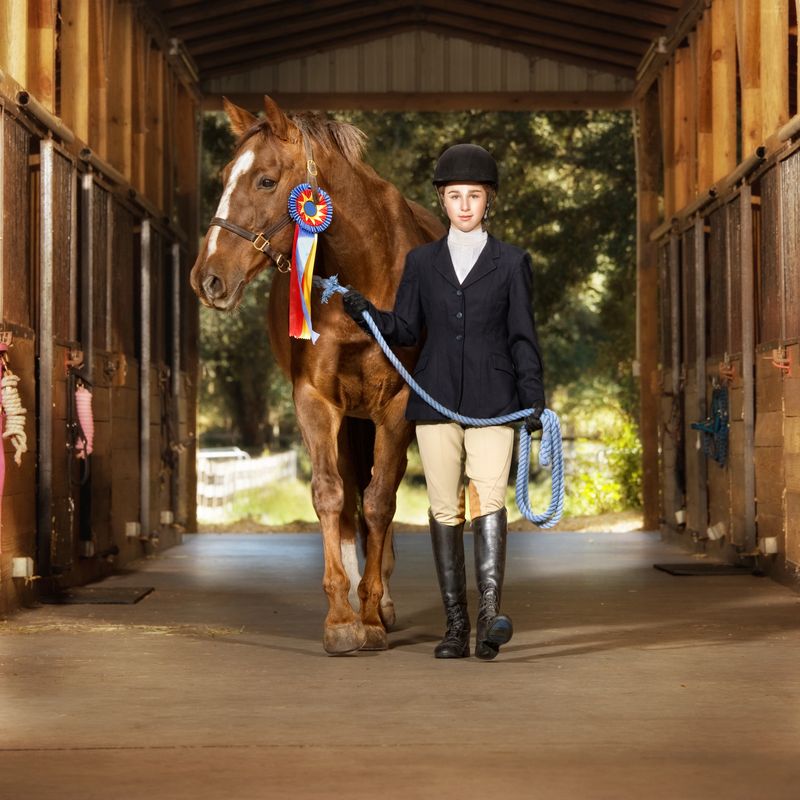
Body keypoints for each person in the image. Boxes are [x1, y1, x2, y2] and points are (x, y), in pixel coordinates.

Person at [342, 143, 545, 660]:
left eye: (473, 196)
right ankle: (455, 626)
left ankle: (489, 616)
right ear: (442, 199)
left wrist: (533, 401)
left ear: (488, 201)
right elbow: (406, 328)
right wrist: (368, 313)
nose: (463, 206)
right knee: (440, 507)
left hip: (494, 400)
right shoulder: (422, 262)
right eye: (454, 196)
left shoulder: (512, 263)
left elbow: (523, 336)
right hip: (433, 400)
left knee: (490, 501)